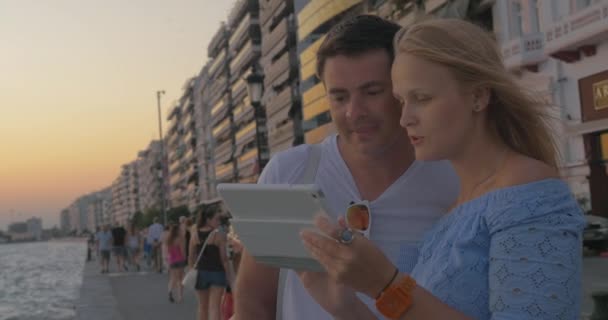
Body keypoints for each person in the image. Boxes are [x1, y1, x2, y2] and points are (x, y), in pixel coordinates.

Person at [298, 18, 585, 320]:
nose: (405, 117)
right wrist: (345, 307)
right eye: (401, 100)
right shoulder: (456, 208)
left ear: (478, 95)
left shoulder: (527, 194)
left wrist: (383, 284)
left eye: (422, 98)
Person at [233, 14, 459, 320]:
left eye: (372, 92)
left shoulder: (452, 178)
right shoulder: (288, 174)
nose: (354, 112)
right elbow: (252, 299)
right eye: (339, 97)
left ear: (403, 89)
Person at [189, 206, 231, 320]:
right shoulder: (219, 235)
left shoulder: (195, 234)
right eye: (216, 219)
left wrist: (191, 271)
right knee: (215, 307)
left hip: (201, 273)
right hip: (217, 273)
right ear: (208, 219)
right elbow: (224, 259)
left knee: (202, 307)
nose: (218, 222)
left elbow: (191, 257)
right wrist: (229, 276)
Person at [166, 223, 187, 303]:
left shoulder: (169, 239)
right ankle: (180, 296)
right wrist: (185, 258)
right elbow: (182, 251)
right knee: (180, 279)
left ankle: (170, 291)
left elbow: (168, 251)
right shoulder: (180, 239)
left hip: (172, 260)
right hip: (180, 260)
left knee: (173, 278)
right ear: (177, 231)